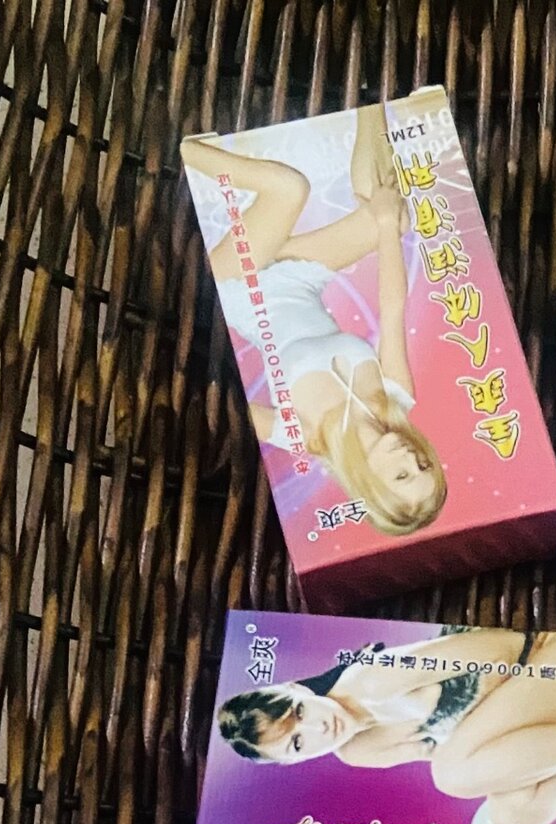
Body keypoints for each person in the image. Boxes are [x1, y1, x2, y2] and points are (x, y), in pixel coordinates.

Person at [181, 106, 447, 534]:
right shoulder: (396, 399)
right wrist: (383, 224)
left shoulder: (305, 436)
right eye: (422, 466)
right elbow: (393, 307)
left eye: (402, 475)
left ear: (371, 488)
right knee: (393, 218)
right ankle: (373, 108)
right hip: (301, 276)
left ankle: (185, 151)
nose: (409, 458)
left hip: (240, 287)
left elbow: (216, 405)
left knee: (290, 188)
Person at [217, 627, 556, 824]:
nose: (316, 728)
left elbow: (506, 648)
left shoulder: (374, 676)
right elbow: (490, 758)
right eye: (298, 743)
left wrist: (497, 727)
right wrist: (505, 741)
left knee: (454, 775)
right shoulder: (360, 751)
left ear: (296, 689)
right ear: (297, 761)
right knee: (515, 816)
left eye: (299, 712)